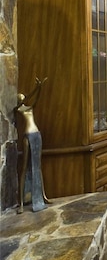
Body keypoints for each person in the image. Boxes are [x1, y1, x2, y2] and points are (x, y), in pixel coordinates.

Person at [14, 77, 50, 213]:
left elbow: (35, 100)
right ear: (19, 100)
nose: (24, 98)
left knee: (38, 166)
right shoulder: (19, 108)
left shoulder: (29, 107)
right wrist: (35, 88)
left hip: (36, 134)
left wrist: (39, 88)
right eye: (21, 97)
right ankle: (22, 203)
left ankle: (43, 196)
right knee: (24, 167)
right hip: (27, 136)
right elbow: (28, 98)